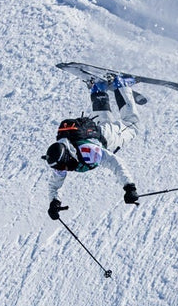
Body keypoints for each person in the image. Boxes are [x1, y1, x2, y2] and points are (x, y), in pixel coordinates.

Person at [44, 74, 142, 220]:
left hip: (106, 137)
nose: (62, 171)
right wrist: (54, 202)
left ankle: (122, 85)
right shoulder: (62, 160)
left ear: (66, 157)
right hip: (94, 132)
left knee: (132, 124)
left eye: (62, 167)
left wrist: (129, 187)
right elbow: (55, 184)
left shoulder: (87, 152)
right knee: (104, 119)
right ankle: (98, 88)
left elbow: (114, 162)